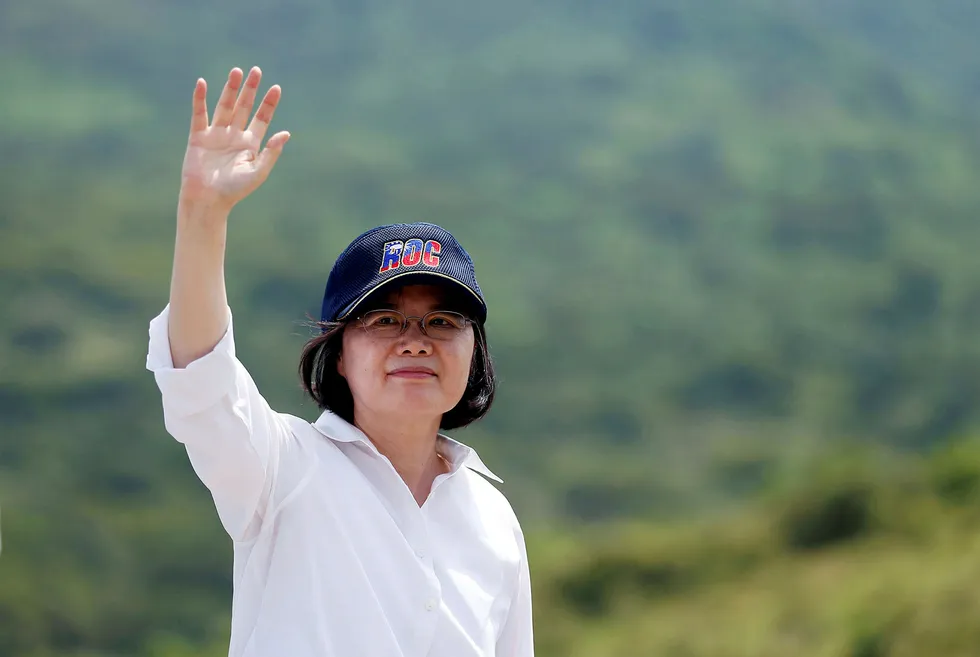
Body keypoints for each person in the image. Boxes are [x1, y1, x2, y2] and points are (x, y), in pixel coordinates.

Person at [145, 66, 533, 657]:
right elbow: (200, 379)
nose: (416, 341)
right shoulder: (282, 470)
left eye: (443, 322)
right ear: (339, 356)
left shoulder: (493, 519)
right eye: (384, 321)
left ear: (474, 353)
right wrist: (203, 213)